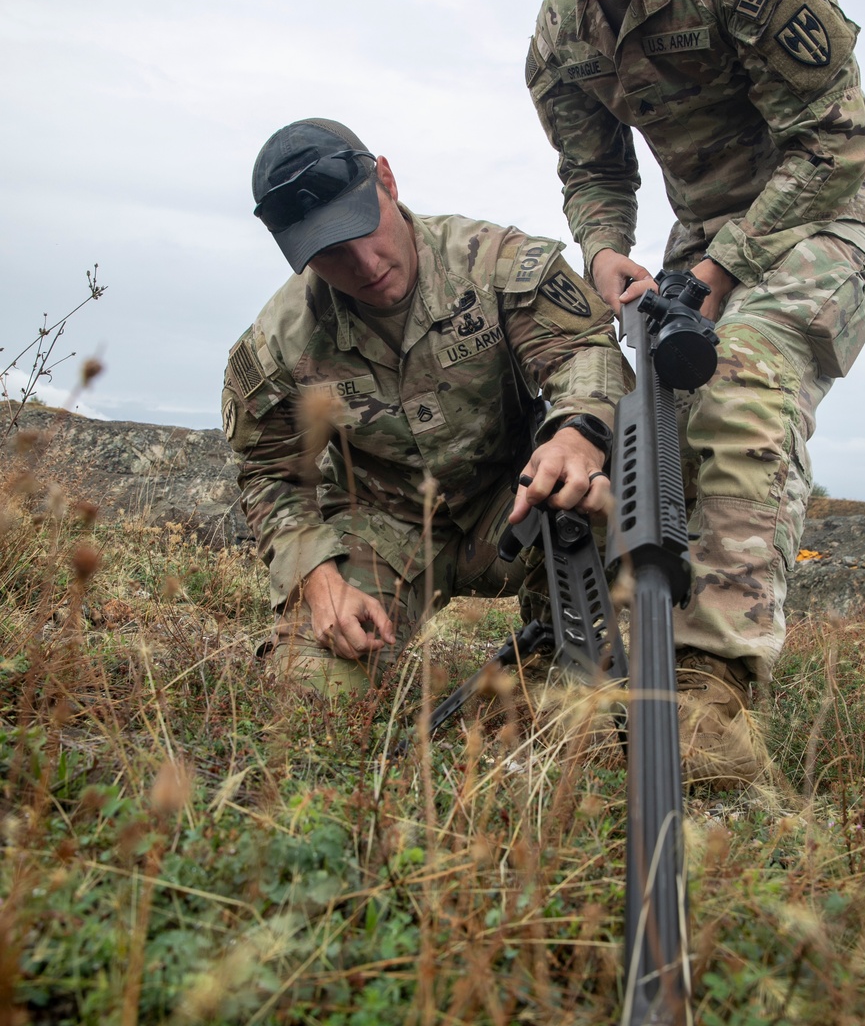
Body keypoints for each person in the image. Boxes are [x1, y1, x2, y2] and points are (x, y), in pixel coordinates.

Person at [479, 0, 865, 781]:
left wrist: (718, 267)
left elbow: (832, 144)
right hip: (700, 238)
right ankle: (606, 651)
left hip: (830, 211)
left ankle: (710, 695)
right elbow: (592, 171)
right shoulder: (559, 40)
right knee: (635, 420)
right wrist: (603, 250)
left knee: (744, 372)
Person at [222, 116, 631, 696]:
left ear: (387, 181)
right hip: (384, 526)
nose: (365, 265)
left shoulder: (495, 263)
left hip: (519, 503)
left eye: (364, 227)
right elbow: (270, 473)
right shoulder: (277, 344)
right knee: (308, 691)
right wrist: (314, 578)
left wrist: (576, 434)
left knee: (617, 473)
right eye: (332, 252)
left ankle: (559, 647)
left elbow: (583, 351)